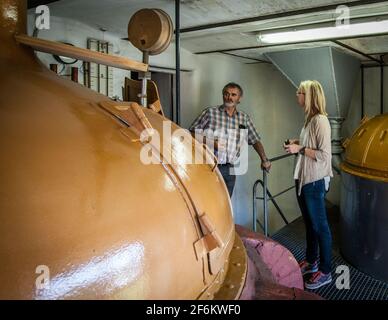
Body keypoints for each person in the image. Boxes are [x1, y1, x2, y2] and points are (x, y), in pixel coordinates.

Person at [284, 80, 333, 290]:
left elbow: (323, 156)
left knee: (321, 227)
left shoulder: (320, 121)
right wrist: (297, 143)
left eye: (300, 92)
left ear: (309, 96)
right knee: (310, 224)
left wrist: (300, 149)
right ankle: (312, 261)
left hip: (314, 181)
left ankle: (326, 270)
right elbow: (309, 145)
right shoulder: (309, 120)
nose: (297, 95)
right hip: (303, 180)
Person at [189, 82, 271, 197]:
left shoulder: (244, 118)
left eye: (233, 95)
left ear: (239, 98)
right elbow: (191, 133)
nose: (229, 97)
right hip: (209, 166)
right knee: (209, 201)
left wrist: (264, 159)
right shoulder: (210, 113)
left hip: (230, 169)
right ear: (223, 95)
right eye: (226, 94)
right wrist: (212, 143)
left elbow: (255, 140)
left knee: (226, 205)